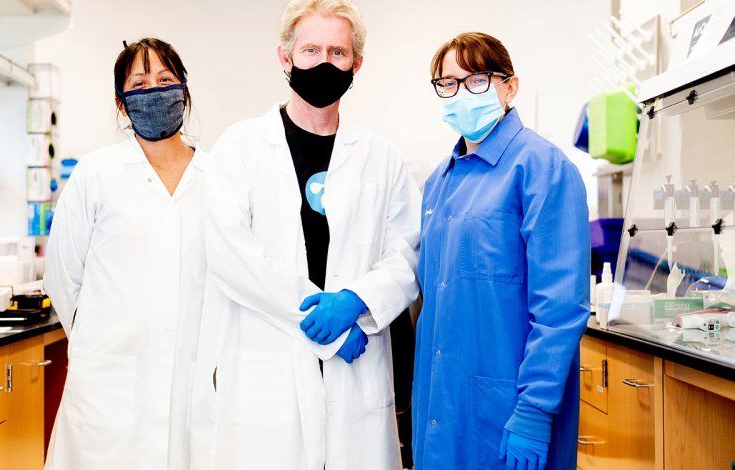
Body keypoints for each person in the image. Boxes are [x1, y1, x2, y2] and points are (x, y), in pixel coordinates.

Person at [189, 1, 421, 469]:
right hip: (269, 366)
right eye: (310, 49)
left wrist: (356, 300)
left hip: (356, 370)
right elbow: (232, 256)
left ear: (356, 64)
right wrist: (322, 328)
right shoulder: (240, 147)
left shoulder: (383, 157)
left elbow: (408, 253)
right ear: (285, 57)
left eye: (337, 52)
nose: (323, 62)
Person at [412, 32, 591, 470]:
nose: (460, 93)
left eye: (476, 80)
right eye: (448, 83)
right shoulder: (439, 181)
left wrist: (534, 411)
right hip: (441, 409)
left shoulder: (542, 169)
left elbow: (561, 307)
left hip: (509, 409)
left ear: (509, 87)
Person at [43, 38, 207, 469]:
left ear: (185, 93)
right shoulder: (95, 175)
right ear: (121, 105)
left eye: (165, 80)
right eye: (139, 83)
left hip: (194, 380)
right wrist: (102, 342)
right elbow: (62, 278)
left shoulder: (219, 176)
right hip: (108, 384)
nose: (153, 91)